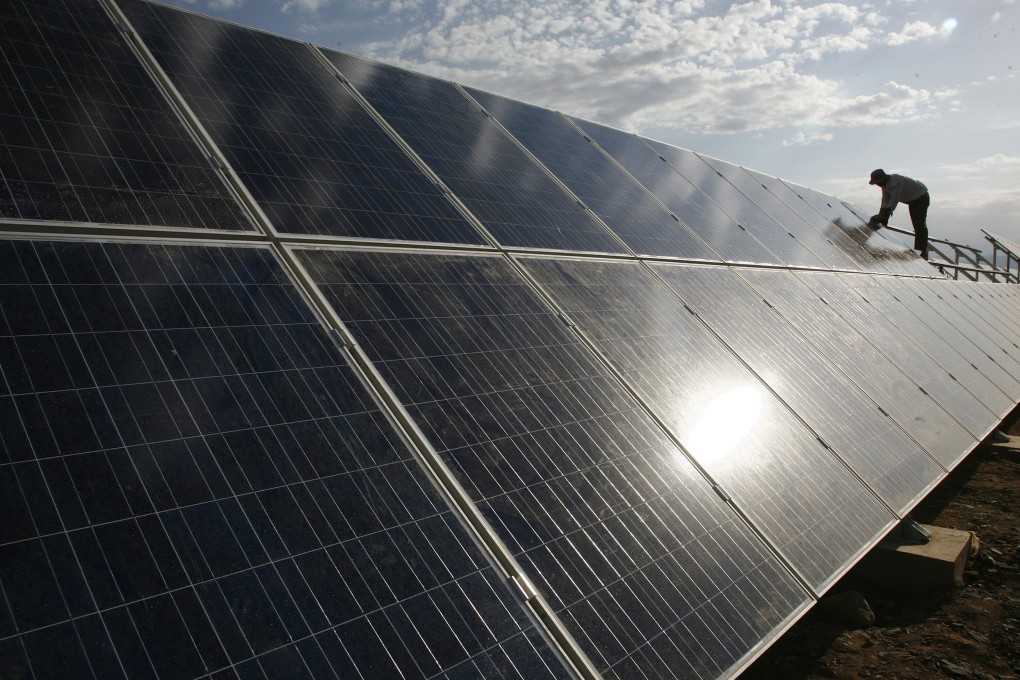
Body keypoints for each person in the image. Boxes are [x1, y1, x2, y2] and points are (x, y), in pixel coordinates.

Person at [867, 168, 930, 258]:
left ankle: (923, 251)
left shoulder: (896, 181)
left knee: (918, 222)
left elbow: (894, 199)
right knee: (917, 222)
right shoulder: (884, 186)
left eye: (877, 182)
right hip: (912, 200)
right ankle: (922, 249)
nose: (877, 184)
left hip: (921, 197)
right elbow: (885, 200)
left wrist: (885, 216)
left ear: (882, 179)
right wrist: (881, 215)